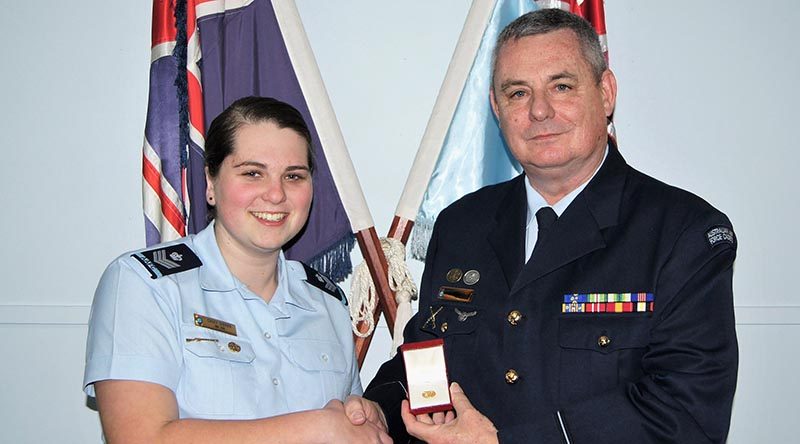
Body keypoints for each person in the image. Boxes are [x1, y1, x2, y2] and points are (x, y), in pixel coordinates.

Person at [353, 9, 738, 444]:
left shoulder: (683, 232)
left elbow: (686, 414)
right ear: (497, 109)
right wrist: (380, 410)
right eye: (518, 93)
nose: (539, 110)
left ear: (606, 93)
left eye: (561, 86)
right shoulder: (463, 223)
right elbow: (427, 359)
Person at [83, 97, 390, 444]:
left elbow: (348, 422)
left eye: (293, 176)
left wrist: (365, 416)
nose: (276, 194)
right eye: (252, 173)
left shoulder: (328, 302)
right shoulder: (144, 285)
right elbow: (139, 438)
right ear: (211, 184)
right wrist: (316, 428)